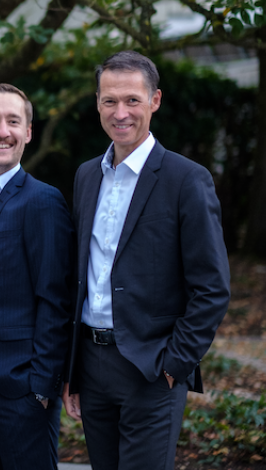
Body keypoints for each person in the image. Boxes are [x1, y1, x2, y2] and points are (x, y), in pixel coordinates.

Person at [62, 50, 231, 470]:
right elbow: (80, 275)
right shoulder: (87, 176)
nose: (120, 112)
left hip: (151, 369)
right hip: (91, 363)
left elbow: (212, 288)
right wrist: (73, 370)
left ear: (155, 101)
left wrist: (173, 366)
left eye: (132, 100)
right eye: (109, 101)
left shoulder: (187, 179)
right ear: (97, 103)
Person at [0, 84, 73, 470]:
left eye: (13, 121)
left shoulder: (42, 200)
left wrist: (41, 388)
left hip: (19, 391)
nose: (2, 131)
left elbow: (55, 299)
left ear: (28, 133)